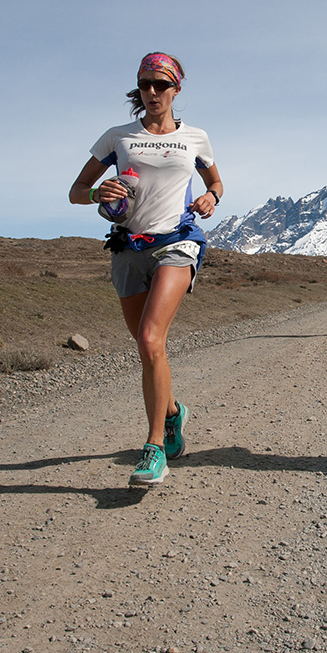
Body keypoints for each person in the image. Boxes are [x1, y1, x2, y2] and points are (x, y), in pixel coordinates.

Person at [68, 52, 223, 488]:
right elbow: (75, 191)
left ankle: (154, 449)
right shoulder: (118, 137)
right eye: (144, 85)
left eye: (160, 84)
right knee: (145, 347)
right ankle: (173, 413)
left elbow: (216, 182)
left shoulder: (195, 138)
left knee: (153, 338)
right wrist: (99, 191)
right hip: (127, 248)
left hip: (177, 242)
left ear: (176, 88)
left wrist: (211, 198)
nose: (151, 92)